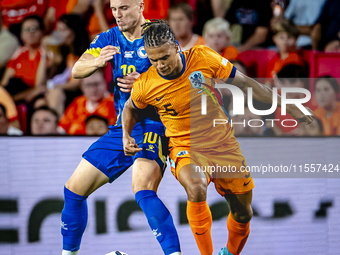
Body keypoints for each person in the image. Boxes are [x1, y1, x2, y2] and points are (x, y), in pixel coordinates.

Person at [122, 20, 314, 255]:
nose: (160, 65)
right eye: (154, 60)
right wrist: (125, 135)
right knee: (196, 187)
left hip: (223, 145)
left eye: (164, 57)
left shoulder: (202, 57)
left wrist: (287, 105)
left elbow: (245, 84)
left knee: (243, 213)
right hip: (184, 146)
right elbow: (130, 108)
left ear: (176, 47)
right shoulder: (146, 85)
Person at [61, 1, 181, 255]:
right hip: (121, 127)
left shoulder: (159, 34)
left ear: (141, 5)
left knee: (143, 189)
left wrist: (148, 81)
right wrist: (96, 63)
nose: (117, 14)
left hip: (154, 124)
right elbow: (77, 69)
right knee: (73, 190)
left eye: (124, 8)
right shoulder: (109, 38)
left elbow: (178, 79)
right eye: (114, 9)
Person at [0, 15, 47, 103]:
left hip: (34, 98)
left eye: (34, 29)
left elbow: (39, 86)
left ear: (42, 32)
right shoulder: (19, 53)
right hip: (15, 97)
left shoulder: (46, 53)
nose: (30, 33)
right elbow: (5, 82)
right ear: (21, 34)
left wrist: (44, 55)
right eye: (26, 30)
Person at [58, 69, 116, 135]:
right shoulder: (77, 103)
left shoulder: (117, 103)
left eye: (97, 84)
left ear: (105, 83)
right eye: (89, 85)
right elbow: (61, 129)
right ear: (82, 88)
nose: (93, 89)